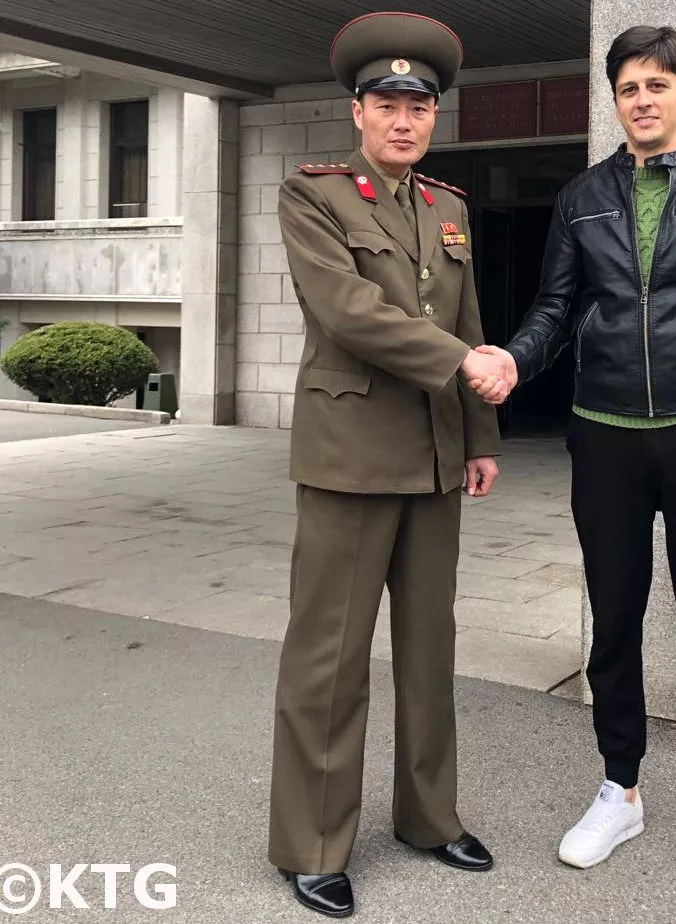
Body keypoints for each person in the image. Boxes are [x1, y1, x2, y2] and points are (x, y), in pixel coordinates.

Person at [469, 25, 676, 898]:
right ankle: (621, 788)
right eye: (627, 88)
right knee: (613, 624)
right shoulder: (581, 197)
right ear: (613, 101)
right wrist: (513, 360)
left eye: (657, 84)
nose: (641, 99)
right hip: (602, 433)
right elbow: (556, 309)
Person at [268, 11, 513, 918]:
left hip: (436, 460)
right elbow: (348, 314)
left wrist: (480, 440)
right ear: (358, 111)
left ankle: (428, 816)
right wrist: (461, 365)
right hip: (348, 457)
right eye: (387, 102)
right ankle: (313, 843)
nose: (404, 118)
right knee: (328, 661)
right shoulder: (315, 196)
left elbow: (469, 322)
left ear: (434, 116)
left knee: (429, 649)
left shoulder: (447, 208)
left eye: (420, 104)